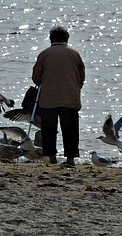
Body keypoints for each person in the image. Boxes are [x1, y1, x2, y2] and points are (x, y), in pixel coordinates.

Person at [32, 25, 85, 165]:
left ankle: (52, 158)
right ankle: (71, 159)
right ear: (67, 38)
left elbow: (36, 78)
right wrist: (75, 88)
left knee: (49, 129)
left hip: (48, 99)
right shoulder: (75, 54)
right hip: (70, 98)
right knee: (71, 130)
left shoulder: (44, 54)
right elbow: (81, 77)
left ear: (51, 39)